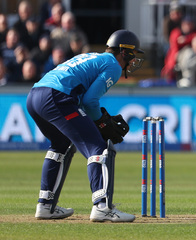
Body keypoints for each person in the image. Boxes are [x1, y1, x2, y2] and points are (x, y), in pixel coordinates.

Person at [26, 29, 144, 222]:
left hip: (34, 96)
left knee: (60, 145)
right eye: (133, 55)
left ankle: (45, 205)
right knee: (99, 148)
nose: (133, 61)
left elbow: (81, 99)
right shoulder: (113, 65)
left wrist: (96, 119)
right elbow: (90, 101)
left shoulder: (92, 56)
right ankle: (102, 207)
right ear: (125, 51)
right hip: (56, 96)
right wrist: (100, 122)